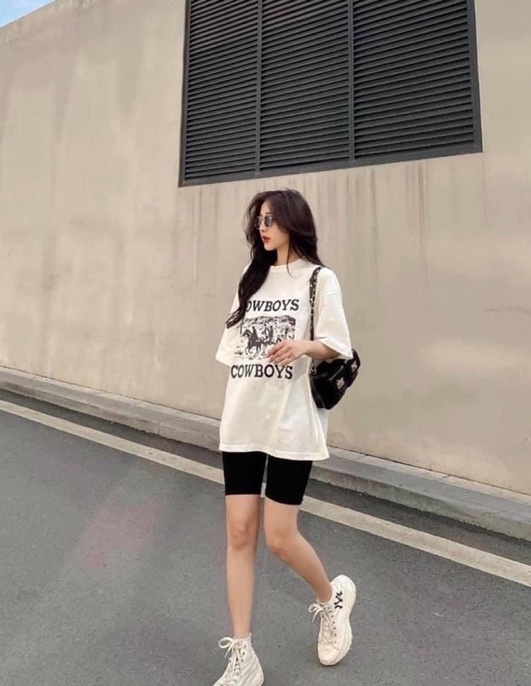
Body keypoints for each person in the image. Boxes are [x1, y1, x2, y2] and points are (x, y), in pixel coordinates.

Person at [213, 189, 357, 685]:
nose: (263, 227)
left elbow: (338, 345)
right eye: (259, 220)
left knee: (278, 537)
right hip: (243, 421)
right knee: (238, 533)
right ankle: (242, 653)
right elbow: (234, 353)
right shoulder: (251, 280)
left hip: (290, 423)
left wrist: (303, 346)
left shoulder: (319, 279)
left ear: (294, 222)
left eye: (271, 219)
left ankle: (330, 599)